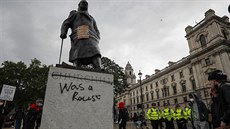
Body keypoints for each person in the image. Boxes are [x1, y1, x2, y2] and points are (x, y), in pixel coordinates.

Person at [60, 0, 102, 70]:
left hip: (91, 37)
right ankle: (76, 65)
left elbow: (96, 29)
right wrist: (63, 32)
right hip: (79, 35)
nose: (85, 5)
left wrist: (97, 36)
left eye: (86, 4)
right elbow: (66, 23)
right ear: (79, 5)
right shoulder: (75, 14)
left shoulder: (91, 18)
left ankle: (98, 67)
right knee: (78, 52)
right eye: (83, 3)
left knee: (96, 52)